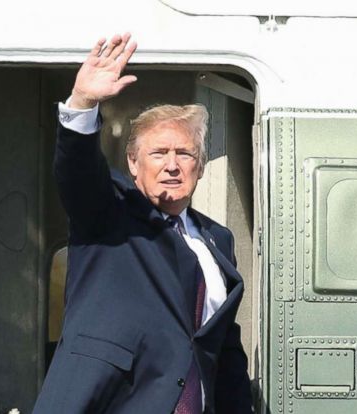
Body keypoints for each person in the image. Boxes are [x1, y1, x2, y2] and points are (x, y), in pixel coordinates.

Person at [33, 34, 253, 413]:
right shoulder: (110, 211)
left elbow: (221, 349)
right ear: (133, 164)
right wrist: (83, 103)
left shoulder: (218, 239)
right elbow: (78, 172)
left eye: (184, 153)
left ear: (199, 167)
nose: (172, 164)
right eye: (158, 153)